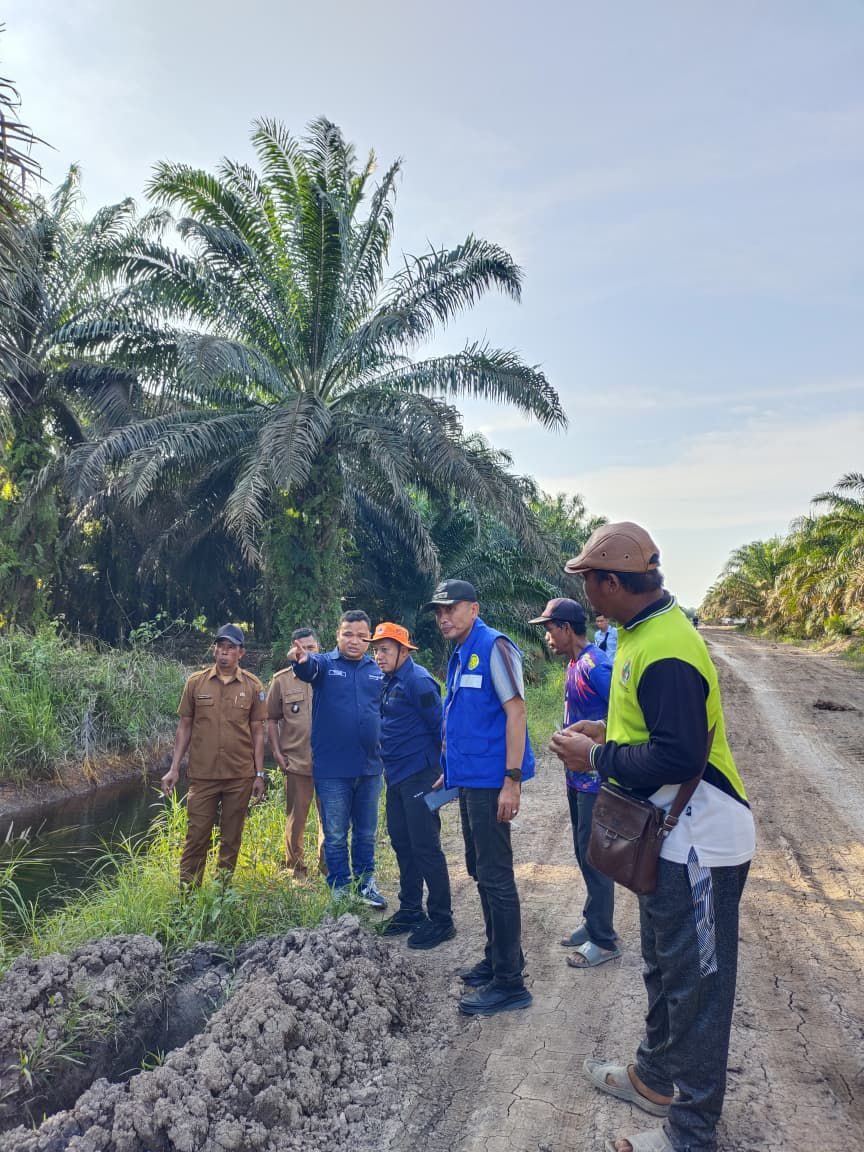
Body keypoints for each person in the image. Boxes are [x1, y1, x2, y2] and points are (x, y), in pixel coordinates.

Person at [550, 522, 755, 1152]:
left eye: (589, 581)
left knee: (698, 987)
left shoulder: (668, 647)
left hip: (701, 845)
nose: (586, 594)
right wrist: (605, 725)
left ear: (613, 583)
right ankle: (656, 1076)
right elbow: (653, 722)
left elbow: (678, 754)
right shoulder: (640, 632)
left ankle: (691, 1133)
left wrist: (600, 758)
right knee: (666, 967)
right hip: (668, 840)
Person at [424, 578, 535, 1016]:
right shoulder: (460, 653)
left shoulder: (494, 646)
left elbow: (517, 712)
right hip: (470, 781)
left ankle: (510, 984)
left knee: (496, 876)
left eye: (451, 608)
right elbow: (465, 721)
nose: (443, 617)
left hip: (493, 783)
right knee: (479, 870)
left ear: (474, 608)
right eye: (438, 611)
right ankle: (499, 958)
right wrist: (449, 773)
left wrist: (512, 780)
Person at [529, 597, 619, 967]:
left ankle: (605, 940)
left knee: (594, 856)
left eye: (549, 629)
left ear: (566, 628)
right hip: (577, 777)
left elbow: (630, 712)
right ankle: (593, 920)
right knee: (584, 852)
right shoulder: (574, 663)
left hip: (596, 781)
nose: (547, 637)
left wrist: (600, 738)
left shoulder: (596, 665)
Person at [288, 609, 387, 908]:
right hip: (332, 770)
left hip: (371, 767)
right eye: (348, 634)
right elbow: (307, 669)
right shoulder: (324, 665)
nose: (354, 641)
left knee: (366, 833)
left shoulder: (377, 669)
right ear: (337, 636)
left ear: (369, 639)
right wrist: (301, 661)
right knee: (334, 833)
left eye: (361, 635)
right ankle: (340, 887)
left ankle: (364, 884)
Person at [161, 624, 267, 885]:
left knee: (231, 838)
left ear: (241, 653)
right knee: (196, 836)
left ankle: (222, 896)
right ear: (214, 649)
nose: (224, 653)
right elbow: (184, 726)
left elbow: (258, 732)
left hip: (239, 776)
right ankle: (187, 897)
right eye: (220, 647)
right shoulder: (196, 683)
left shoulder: (253, 686)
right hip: (203, 775)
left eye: (230, 648)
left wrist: (259, 774)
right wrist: (174, 768)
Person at [370, 621, 454, 949]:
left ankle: (442, 919)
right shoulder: (389, 680)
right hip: (397, 776)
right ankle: (410, 909)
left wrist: (446, 770)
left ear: (404, 651)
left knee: (426, 846)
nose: (379, 655)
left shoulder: (419, 682)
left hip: (421, 775)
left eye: (385, 650)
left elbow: (442, 730)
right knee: (402, 842)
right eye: (376, 650)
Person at [266, 626, 326, 879]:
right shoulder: (281, 681)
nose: (306, 652)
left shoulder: (329, 675)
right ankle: (296, 870)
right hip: (297, 762)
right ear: (292, 649)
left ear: (319, 649)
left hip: (329, 762)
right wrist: (277, 754)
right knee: (296, 819)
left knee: (331, 821)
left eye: (311, 647)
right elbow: (270, 719)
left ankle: (328, 868)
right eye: (301, 647)